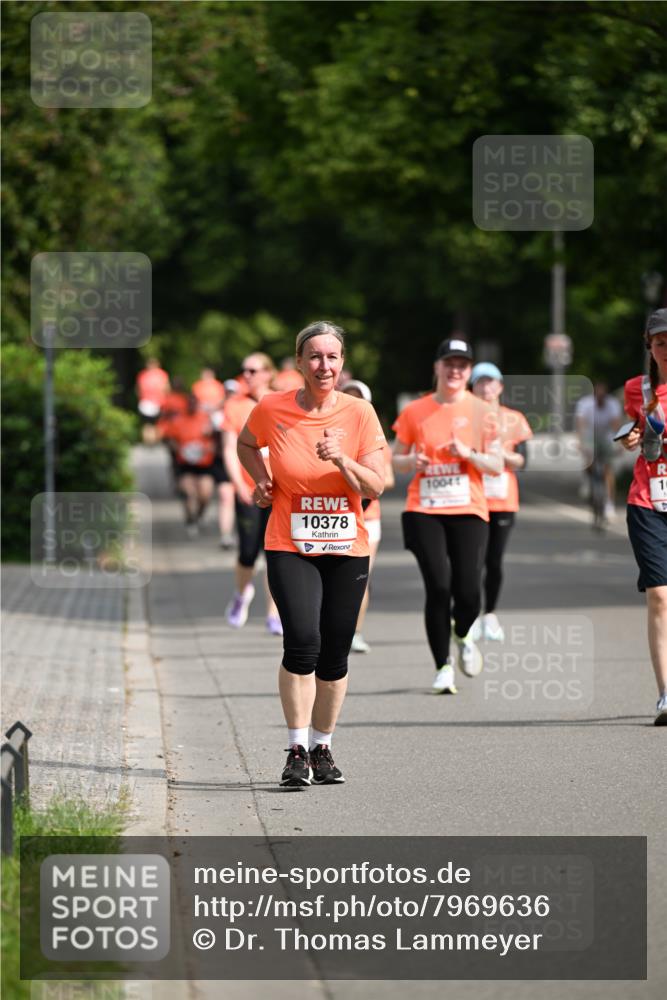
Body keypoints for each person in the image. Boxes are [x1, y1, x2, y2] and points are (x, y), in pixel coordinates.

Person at [237, 321, 386, 786]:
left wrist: (342, 459)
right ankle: (296, 748)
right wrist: (260, 479)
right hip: (290, 543)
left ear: (343, 364)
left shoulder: (360, 413)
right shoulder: (272, 407)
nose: (325, 365)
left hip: (347, 546)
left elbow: (376, 485)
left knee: (335, 654)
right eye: (316, 357)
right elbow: (246, 443)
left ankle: (324, 747)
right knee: (302, 642)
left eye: (333, 357)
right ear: (299, 363)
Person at [392, 336, 503, 693]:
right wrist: (412, 461)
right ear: (437, 367)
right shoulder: (415, 411)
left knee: (469, 592)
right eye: (449, 363)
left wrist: (468, 453)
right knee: (438, 586)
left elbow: (496, 464)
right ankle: (442, 666)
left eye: (462, 365)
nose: (455, 370)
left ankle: (463, 632)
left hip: (469, 509)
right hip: (424, 508)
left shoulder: (484, 412)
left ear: (468, 371)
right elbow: (394, 459)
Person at [620, 307, 667, 725]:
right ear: (649, 346)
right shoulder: (637, 388)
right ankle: (665, 695)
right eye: (660, 342)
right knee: (659, 596)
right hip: (647, 501)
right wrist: (631, 437)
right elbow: (631, 433)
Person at [469, 362, 533, 642]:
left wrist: (500, 456)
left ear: (500, 386)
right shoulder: (463, 417)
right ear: (472, 387)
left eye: (490, 381)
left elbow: (523, 459)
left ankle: (490, 614)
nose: (486, 387)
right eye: (480, 382)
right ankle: (468, 615)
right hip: (469, 499)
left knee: (493, 561)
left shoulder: (513, 418)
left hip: (503, 500)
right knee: (471, 561)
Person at [223, 353, 282, 633]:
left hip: (280, 492)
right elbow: (229, 449)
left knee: (276, 553)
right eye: (243, 370)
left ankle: (274, 613)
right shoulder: (235, 406)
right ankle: (241, 593)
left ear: (268, 373)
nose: (245, 375)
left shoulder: (283, 402)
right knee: (248, 552)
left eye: (252, 370)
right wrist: (238, 484)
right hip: (248, 490)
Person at [341, 379, 395, 653]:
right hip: (334, 514)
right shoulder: (329, 433)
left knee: (360, 577)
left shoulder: (374, 438)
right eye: (347, 398)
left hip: (367, 518)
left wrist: (360, 476)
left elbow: (387, 480)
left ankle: (355, 632)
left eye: (358, 399)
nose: (353, 405)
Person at [157, 393, 216, 537]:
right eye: (189, 403)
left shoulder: (206, 419)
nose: (192, 406)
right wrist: (179, 449)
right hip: (185, 464)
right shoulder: (178, 421)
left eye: (194, 403)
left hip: (204, 464)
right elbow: (168, 439)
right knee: (190, 493)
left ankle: (200, 514)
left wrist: (209, 447)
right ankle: (191, 521)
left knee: (205, 494)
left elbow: (216, 440)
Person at [574, 380, 623, 520]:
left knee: (608, 470)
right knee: (589, 459)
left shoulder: (612, 404)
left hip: (606, 435)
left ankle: (609, 505)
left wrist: (618, 443)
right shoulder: (585, 404)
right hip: (590, 433)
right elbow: (581, 424)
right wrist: (580, 442)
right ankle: (587, 482)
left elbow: (615, 425)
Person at [136, 358, 170, 444]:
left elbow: (138, 390)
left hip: (153, 403)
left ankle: (150, 441)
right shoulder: (159, 374)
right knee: (152, 424)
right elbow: (167, 389)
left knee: (152, 425)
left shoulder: (145, 374)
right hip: (151, 403)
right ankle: (151, 442)